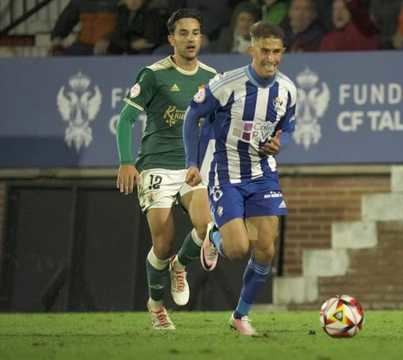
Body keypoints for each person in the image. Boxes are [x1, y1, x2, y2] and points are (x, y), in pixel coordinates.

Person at [183, 21, 296, 336]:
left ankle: (240, 316)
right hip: (227, 172)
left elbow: (287, 128)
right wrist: (192, 162)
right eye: (264, 51)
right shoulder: (225, 85)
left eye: (276, 52)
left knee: (266, 249)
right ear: (252, 50)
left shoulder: (287, 89)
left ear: (282, 52)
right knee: (237, 250)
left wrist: (279, 143)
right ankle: (215, 237)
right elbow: (192, 117)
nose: (270, 58)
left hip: (262, 174)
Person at [115, 8, 220, 330]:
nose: (191, 39)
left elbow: (218, 125)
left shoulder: (211, 78)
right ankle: (157, 305)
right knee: (163, 242)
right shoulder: (154, 75)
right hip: (157, 164)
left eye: (196, 32)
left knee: (205, 227)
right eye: (184, 33)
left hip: (191, 166)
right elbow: (126, 120)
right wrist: (126, 162)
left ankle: (180, 266)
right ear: (171, 38)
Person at [49, 0, 118, 55]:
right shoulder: (79, 2)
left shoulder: (119, 2)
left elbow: (124, 27)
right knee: (60, 56)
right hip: (83, 46)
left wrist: (108, 39)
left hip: (110, 46)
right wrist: (56, 38)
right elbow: (65, 20)